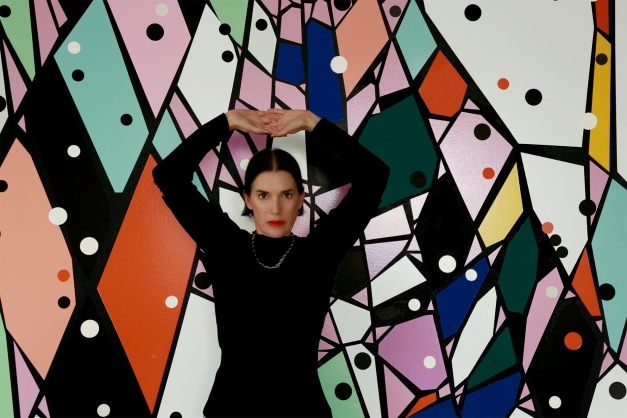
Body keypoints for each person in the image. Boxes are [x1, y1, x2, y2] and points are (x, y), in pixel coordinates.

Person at [152, 108, 390, 417]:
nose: (275, 208)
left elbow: (374, 176)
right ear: (248, 199)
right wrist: (227, 122)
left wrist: (311, 123)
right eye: (263, 195)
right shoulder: (226, 246)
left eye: (286, 195)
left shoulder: (319, 252)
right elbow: (169, 175)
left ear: (301, 198)